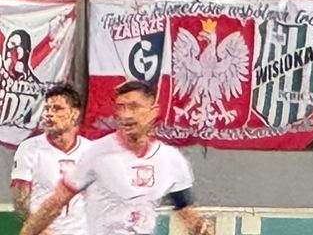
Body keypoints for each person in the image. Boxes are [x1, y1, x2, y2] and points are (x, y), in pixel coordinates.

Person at [22, 80, 207, 235]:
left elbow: (187, 213)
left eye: (134, 107)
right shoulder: (98, 153)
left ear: (153, 111)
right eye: (121, 107)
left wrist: (201, 228)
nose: (126, 115)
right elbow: (56, 202)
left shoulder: (171, 160)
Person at [10, 85, 87, 235]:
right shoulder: (29, 148)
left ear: (74, 114)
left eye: (57, 108)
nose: (49, 114)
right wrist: (38, 227)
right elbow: (19, 198)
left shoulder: (90, 150)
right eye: (47, 109)